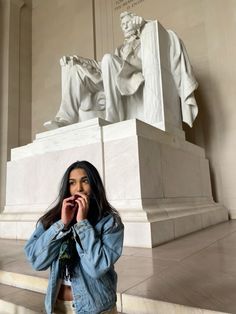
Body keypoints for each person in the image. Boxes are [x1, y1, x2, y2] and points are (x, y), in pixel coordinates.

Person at [24, 160, 124, 314]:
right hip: (57, 306)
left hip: (95, 308)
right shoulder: (53, 219)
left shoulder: (110, 222)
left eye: (85, 181)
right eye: (72, 183)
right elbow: (36, 261)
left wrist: (82, 223)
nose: (79, 188)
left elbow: (96, 268)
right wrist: (62, 224)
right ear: (67, 188)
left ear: (94, 185)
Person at [44, 11, 146, 129]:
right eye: (123, 24)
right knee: (75, 70)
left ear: (135, 22)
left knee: (108, 58)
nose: (125, 26)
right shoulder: (119, 49)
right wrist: (79, 60)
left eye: (127, 22)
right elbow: (101, 65)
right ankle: (66, 119)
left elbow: (154, 45)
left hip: (130, 77)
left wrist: (144, 25)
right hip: (110, 78)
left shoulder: (144, 39)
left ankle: (113, 117)